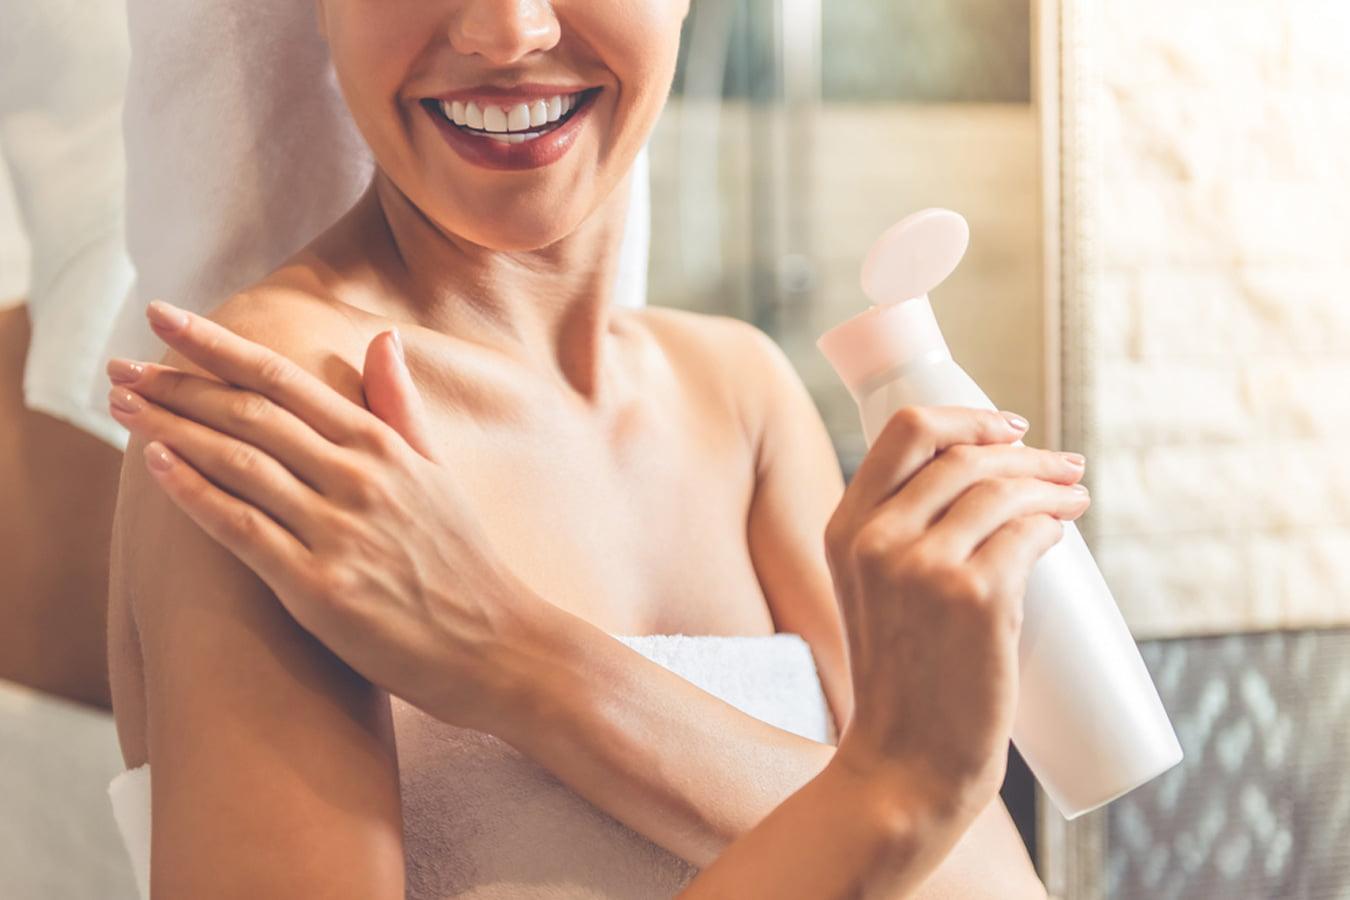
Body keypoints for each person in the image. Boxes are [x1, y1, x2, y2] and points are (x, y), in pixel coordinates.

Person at [105, 1, 1085, 896]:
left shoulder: (738, 394)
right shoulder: (285, 414)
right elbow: (911, 819)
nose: (507, 31)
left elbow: (979, 877)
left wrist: (516, 656)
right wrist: (893, 790)